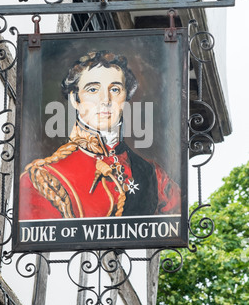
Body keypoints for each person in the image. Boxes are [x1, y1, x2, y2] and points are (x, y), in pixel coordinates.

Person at [18, 51, 180, 220]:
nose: (106, 100)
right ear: (75, 99)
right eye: (93, 89)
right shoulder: (43, 179)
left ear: (125, 97)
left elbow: (177, 224)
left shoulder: (153, 174)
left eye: (115, 89)